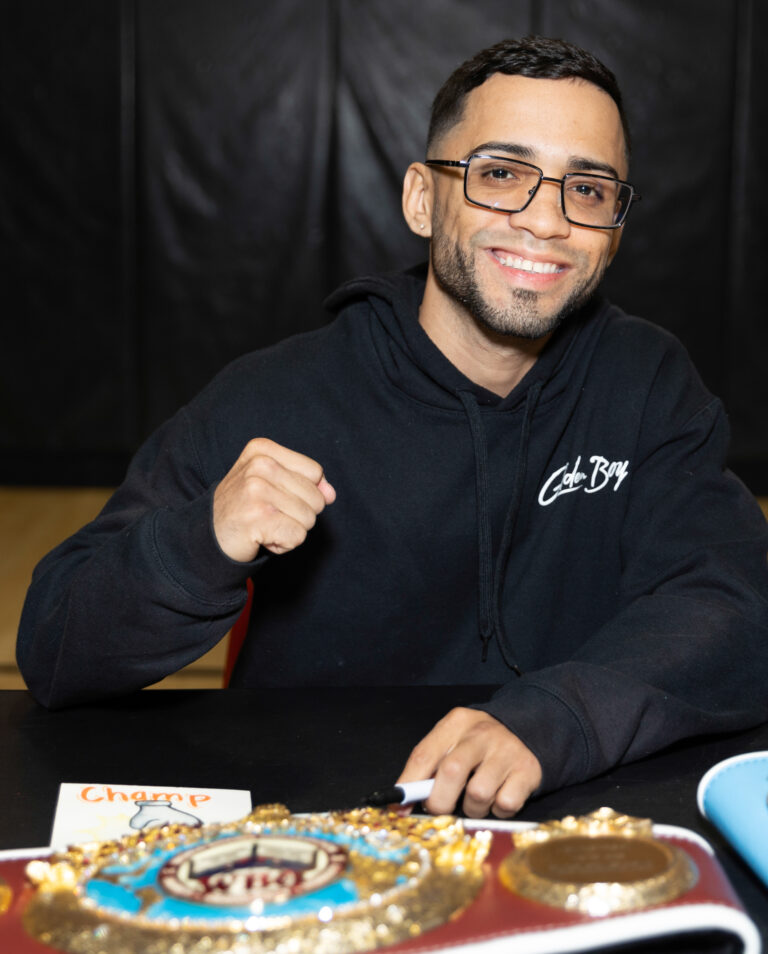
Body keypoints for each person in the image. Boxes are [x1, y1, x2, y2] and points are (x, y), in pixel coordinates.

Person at [17, 36, 768, 819]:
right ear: (422, 198)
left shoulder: (646, 382)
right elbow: (54, 649)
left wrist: (557, 719)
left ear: (614, 224)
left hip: (564, 811)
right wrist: (200, 539)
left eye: (587, 188)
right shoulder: (280, 396)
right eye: (501, 175)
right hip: (321, 834)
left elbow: (734, 605)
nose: (546, 220)